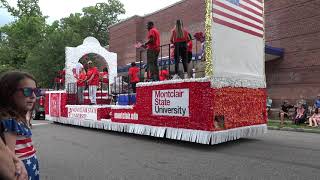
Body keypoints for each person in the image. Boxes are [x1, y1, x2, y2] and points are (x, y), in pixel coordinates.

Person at [0, 71, 40, 180]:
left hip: (30, 168)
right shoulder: (10, 121)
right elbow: (9, 155)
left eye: (35, 91)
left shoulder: (19, 118)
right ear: (9, 92)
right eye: (27, 91)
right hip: (22, 172)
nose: (33, 96)